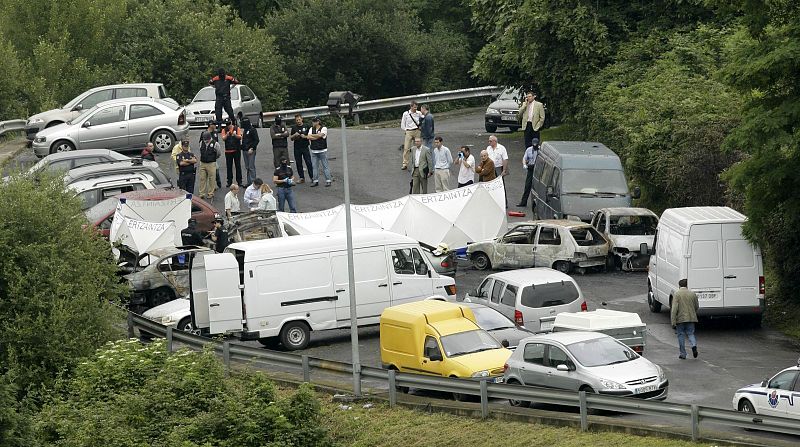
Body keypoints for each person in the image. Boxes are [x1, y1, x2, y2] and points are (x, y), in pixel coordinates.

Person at [671, 279, 700, 360]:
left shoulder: (677, 294)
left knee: (681, 335)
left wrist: (673, 321)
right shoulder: (692, 293)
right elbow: (697, 306)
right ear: (687, 285)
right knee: (691, 333)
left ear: (679, 285)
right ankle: (693, 346)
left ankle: (683, 354)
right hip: (691, 318)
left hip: (680, 319)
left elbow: (674, 309)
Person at [305, 117, 331, 187]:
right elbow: (308, 137)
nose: (313, 123)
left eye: (314, 121)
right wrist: (317, 137)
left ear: (318, 122)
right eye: (313, 121)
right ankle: (315, 181)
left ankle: (328, 180)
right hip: (314, 150)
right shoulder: (311, 129)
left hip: (322, 150)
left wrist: (313, 136)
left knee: (325, 166)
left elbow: (321, 135)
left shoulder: (324, 128)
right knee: (314, 167)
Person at [198, 131, 222, 200]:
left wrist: (213, 159)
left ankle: (210, 193)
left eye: (206, 139)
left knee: (212, 179)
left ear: (209, 138)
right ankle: (201, 193)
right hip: (202, 163)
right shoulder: (201, 143)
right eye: (204, 139)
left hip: (211, 163)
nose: (205, 141)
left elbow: (218, 153)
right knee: (202, 178)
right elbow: (200, 151)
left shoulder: (215, 144)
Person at [486, 135, 509, 207]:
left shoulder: (501, 148)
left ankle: (504, 202)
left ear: (495, 141)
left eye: (490, 141)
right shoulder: (488, 148)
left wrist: (504, 170)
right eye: (489, 141)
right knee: (490, 185)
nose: (489, 142)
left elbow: (505, 159)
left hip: (499, 167)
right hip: (490, 168)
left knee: (500, 185)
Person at [290, 114, 313, 183]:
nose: (298, 121)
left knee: (308, 162)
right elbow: (291, 138)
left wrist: (305, 136)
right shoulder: (294, 127)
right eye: (297, 120)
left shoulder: (307, 126)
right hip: (297, 148)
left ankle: (312, 177)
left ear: (302, 119)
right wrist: (295, 135)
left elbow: (311, 135)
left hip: (305, 147)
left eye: (299, 119)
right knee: (298, 163)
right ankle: (301, 177)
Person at [518, 138, 540, 207]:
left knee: (538, 187)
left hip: (538, 169)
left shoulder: (541, 150)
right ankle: (523, 202)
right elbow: (524, 158)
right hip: (531, 168)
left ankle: (539, 204)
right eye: (533, 145)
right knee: (527, 186)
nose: (534, 146)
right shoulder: (529, 150)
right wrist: (524, 164)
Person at [400, 101, 422, 170]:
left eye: (416, 107)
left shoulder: (419, 113)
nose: (415, 108)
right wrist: (406, 130)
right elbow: (403, 124)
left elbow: (423, 119)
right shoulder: (406, 114)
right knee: (406, 148)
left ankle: (417, 163)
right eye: (414, 107)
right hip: (409, 131)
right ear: (411, 107)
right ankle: (405, 164)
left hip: (417, 131)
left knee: (417, 147)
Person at [221, 120, 243, 187]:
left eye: (229, 124)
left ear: (231, 123)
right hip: (228, 151)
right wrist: (227, 135)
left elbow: (240, 137)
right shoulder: (224, 130)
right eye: (227, 124)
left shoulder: (237, 128)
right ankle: (229, 181)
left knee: (238, 166)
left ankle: (239, 181)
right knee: (229, 166)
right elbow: (223, 138)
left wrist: (235, 135)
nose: (228, 126)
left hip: (236, 150)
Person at [241, 117, 260, 185]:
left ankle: (253, 183)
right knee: (247, 167)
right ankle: (249, 182)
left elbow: (256, 140)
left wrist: (252, 148)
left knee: (251, 167)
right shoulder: (245, 130)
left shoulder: (253, 130)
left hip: (251, 151)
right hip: (245, 150)